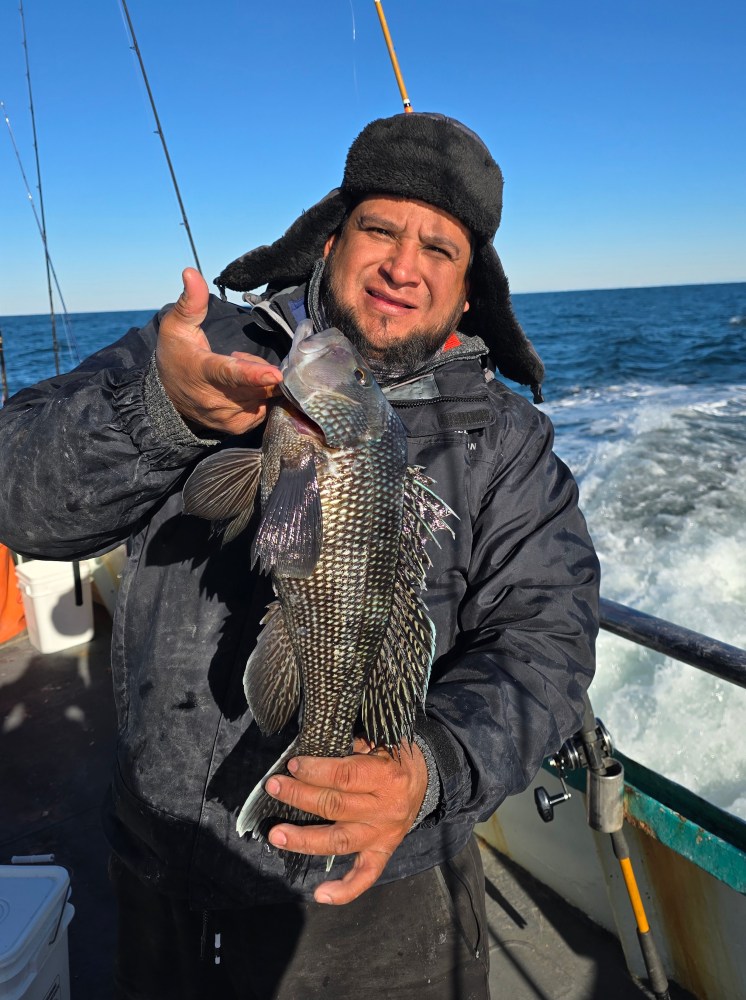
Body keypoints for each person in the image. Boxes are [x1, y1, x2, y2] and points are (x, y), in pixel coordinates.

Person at [0, 112, 599, 999]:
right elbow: (22, 502)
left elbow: (549, 641)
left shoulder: (508, 445)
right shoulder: (194, 352)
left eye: (440, 248)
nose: (404, 264)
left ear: (469, 292)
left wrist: (431, 766)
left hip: (384, 880)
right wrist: (162, 412)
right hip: (161, 862)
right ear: (327, 243)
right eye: (382, 229)